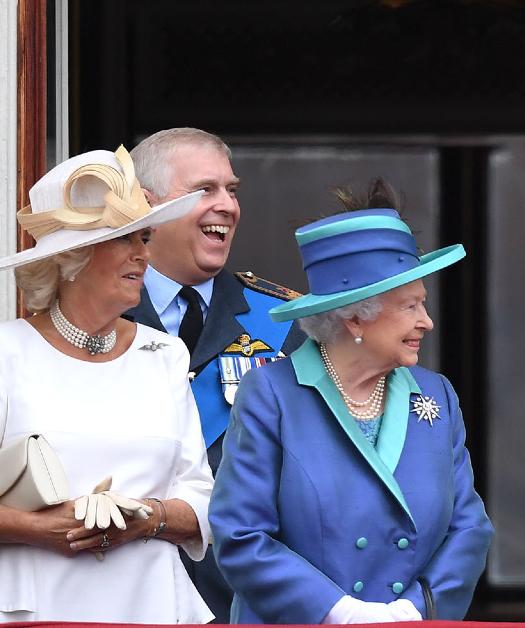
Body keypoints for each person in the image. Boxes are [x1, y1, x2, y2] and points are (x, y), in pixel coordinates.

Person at [209, 181, 493, 624]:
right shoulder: (272, 395)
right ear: (357, 315)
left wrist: (413, 611)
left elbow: (469, 528)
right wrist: (340, 613)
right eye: (410, 306)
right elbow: (241, 535)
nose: (427, 321)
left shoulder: (437, 394)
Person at [0, 147, 214, 622]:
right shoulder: (7, 352)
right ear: (72, 259)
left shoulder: (164, 354)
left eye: (143, 237)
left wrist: (144, 519)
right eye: (125, 240)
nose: (143, 253)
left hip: (152, 607)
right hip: (36, 607)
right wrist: (42, 530)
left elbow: (201, 497)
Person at [127, 128, 305, 622]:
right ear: (148, 205)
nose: (227, 205)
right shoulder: (94, 317)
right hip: (120, 588)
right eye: (205, 189)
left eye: (232, 190)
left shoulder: (283, 324)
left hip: (241, 598)